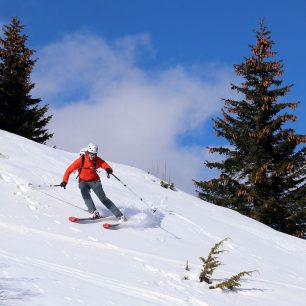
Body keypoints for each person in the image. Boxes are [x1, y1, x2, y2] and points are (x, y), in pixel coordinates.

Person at [60, 143, 126, 222]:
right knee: (84, 193)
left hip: (94, 181)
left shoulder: (97, 159)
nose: (92, 156)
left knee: (103, 198)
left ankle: (120, 215)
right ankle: (93, 212)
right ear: (87, 152)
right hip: (83, 181)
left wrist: (108, 169)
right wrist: (64, 181)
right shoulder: (81, 160)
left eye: (94, 154)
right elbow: (69, 170)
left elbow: (104, 164)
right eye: (91, 154)